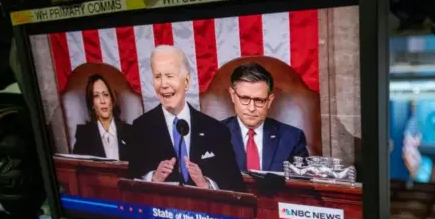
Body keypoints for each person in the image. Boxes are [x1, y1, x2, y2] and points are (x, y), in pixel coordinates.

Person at [128, 45, 246, 192]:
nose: (163, 84)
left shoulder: (216, 130)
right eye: (158, 77)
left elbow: (236, 187)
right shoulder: (141, 128)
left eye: (170, 76)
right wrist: (153, 179)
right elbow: (129, 186)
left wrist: (205, 184)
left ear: (187, 81)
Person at [222, 62, 309, 172]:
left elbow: (303, 185)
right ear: (233, 96)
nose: (252, 108)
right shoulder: (214, 134)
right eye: (244, 98)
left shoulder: (292, 138)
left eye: (259, 100)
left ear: (269, 101)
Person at [72, 74, 132, 160]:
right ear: (92, 104)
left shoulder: (130, 132)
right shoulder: (84, 136)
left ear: (112, 99)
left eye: (106, 94)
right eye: (96, 96)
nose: (102, 101)